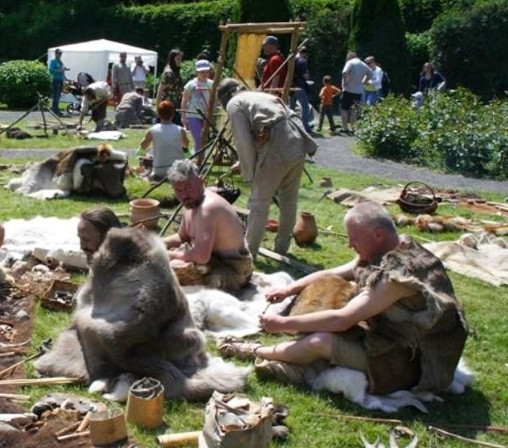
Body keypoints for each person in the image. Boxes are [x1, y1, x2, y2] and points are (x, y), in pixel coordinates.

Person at [220, 202, 469, 394]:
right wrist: (288, 290)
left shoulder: (398, 277)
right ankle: (292, 353)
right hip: (387, 337)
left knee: (320, 341)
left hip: (405, 364)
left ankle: (254, 351)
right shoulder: (393, 246)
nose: (349, 244)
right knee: (330, 288)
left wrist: (281, 324)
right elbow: (331, 273)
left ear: (378, 235)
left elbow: (342, 320)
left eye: (355, 238)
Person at [218, 79, 317, 257]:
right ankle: (281, 248)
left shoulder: (235, 104)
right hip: (297, 142)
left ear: (225, 97)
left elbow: (244, 143)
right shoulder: (259, 96)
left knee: (258, 203)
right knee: (289, 199)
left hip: (277, 145)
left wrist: (249, 174)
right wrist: (242, 164)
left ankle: (249, 252)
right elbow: (259, 133)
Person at [163, 160, 253, 292]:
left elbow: (201, 256)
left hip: (232, 270)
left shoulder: (208, 208)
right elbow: (182, 236)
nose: (184, 195)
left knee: (173, 267)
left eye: (188, 187)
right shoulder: (190, 203)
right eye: (178, 190)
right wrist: (156, 243)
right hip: (210, 261)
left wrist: (165, 254)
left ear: (200, 181)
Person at [138, 101, 189, 180]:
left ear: (158, 114)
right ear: (172, 114)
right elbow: (186, 146)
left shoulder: (153, 130)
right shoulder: (180, 130)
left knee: (149, 152)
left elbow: (142, 146)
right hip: (178, 170)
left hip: (159, 170)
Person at [181, 59, 214, 154]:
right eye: (202, 72)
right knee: (198, 137)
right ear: (197, 72)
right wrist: (183, 116)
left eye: (207, 72)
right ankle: (198, 159)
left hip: (206, 115)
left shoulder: (212, 84)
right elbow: (184, 100)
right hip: (193, 115)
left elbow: (215, 99)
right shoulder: (190, 85)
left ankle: (198, 156)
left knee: (204, 139)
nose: (205, 74)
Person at [339, 51, 372, 134]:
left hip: (348, 90)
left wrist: (346, 81)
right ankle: (353, 128)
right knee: (353, 110)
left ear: (349, 57)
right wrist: (364, 81)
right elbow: (370, 73)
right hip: (358, 91)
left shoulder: (350, 63)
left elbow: (344, 72)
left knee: (344, 109)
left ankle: (345, 128)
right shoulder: (363, 64)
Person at [155, 48, 184, 126]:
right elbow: (160, 91)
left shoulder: (176, 72)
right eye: (177, 59)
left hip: (175, 106)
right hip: (167, 108)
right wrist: (158, 108)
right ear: (172, 59)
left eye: (180, 59)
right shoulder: (169, 73)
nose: (179, 61)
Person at [289, 46, 312, 133]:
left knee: (291, 107)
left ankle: (290, 126)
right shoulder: (302, 61)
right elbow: (305, 76)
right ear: (305, 54)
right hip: (299, 86)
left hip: (292, 85)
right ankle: (305, 127)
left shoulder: (292, 60)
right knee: (305, 107)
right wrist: (308, 76)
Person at [48, 48, 69, 115]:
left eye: (61, 53)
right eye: (58, 53)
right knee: (56, 96)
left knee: (58, 96)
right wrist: (59, 71)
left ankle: (57, 110)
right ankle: (54, 110)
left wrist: (65, 78)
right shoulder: (53, 61)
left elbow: (62, 70)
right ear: (55, 53)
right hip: (55, 80)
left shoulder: (60, 61)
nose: (60, 55)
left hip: (60, 80)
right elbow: (50, 70)